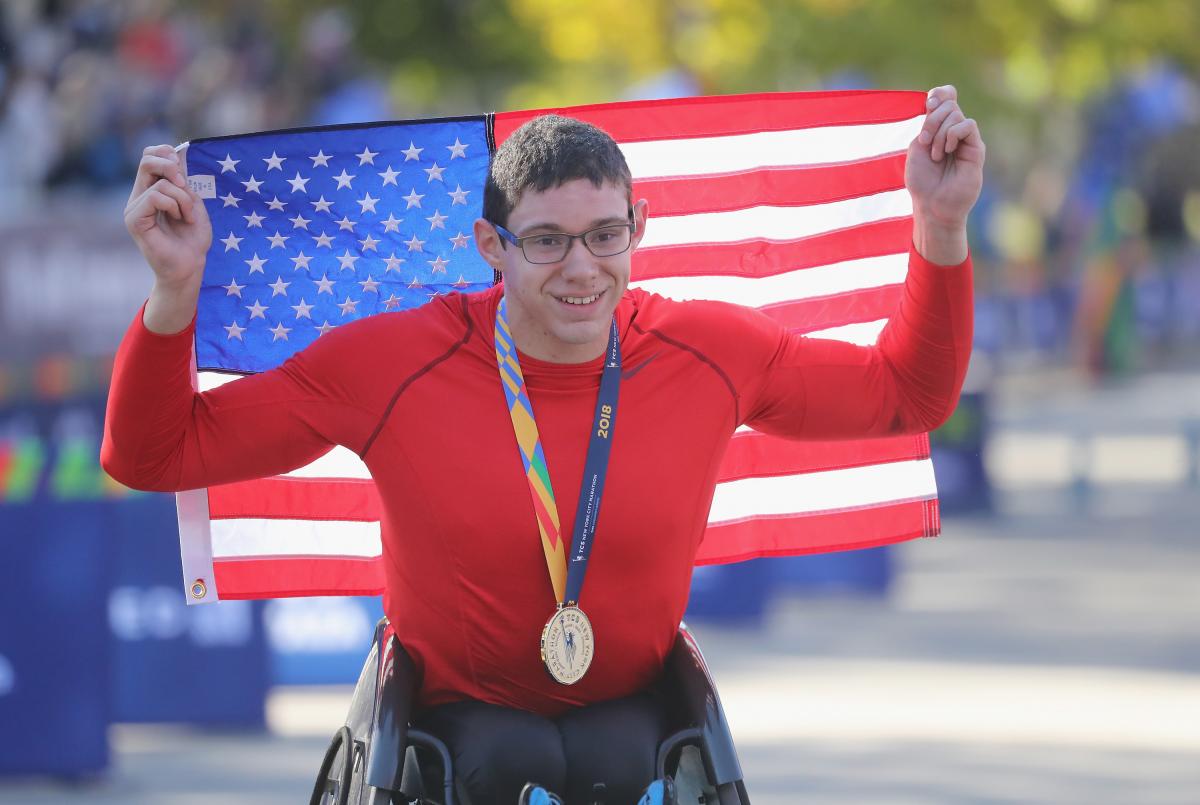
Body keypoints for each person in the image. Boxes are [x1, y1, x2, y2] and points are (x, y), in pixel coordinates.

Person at [102, 85, 984, 805]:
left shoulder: (709, 351)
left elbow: (908, 394)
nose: (582, 267)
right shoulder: (392, 362)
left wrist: (939, 229)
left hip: (638, 735)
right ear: (491, 244)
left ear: (638, 228)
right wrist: (175, 292)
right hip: (450, 748)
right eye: (548, 241)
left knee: (610, 754)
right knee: (502, 756)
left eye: (606, 236)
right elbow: (155, 455)